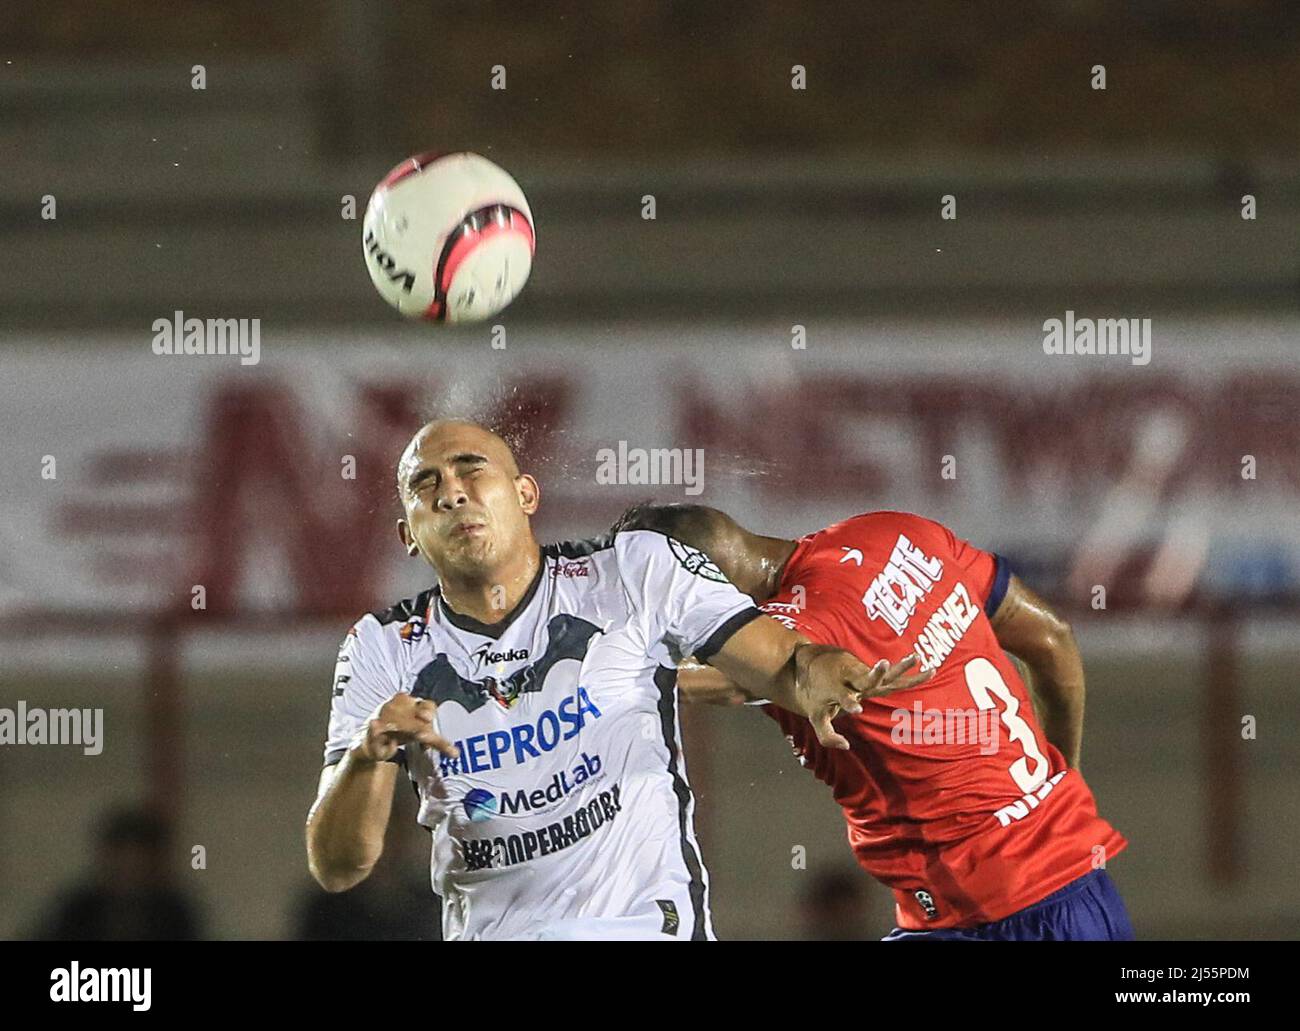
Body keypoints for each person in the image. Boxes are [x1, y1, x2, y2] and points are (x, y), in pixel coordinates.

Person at [305, 420, 924, 941]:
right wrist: (367, 754)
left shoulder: (630, 572)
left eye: (472, 470)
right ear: (408, 534)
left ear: (525, 493)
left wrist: (822, 672)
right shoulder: (382, 647)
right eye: (425, 485)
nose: (453, 493)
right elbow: (337, 866)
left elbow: (783, 661)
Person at [613, 503, 1134, 941]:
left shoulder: (787, 633)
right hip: (1083, 889)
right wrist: (1060, 788)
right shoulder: (894, 531)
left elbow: (734, 672)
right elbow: (1053, 637)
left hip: (985, 913)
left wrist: (600, 666)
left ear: (687, 583)